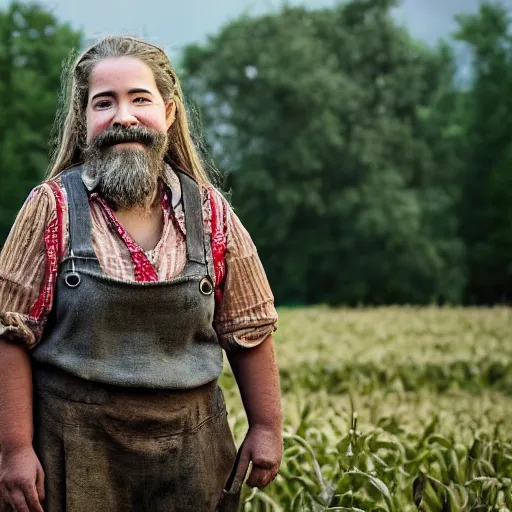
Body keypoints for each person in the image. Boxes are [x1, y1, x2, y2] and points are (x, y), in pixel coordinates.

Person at [0, 36, 282, 512]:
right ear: (85, 121)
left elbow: (250, 328)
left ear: (168, 115)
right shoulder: (52, 208)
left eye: (140, 99)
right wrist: (14, 450)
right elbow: (9, 332)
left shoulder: (211, 212)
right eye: (104, 103)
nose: (123, 117)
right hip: (71, 452)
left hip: (192, 455)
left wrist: (267, 427)